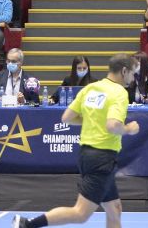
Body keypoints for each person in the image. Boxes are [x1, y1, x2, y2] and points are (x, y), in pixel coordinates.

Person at [13, 54, 141, 228]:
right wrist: (129, 129)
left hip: (87, 155)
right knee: (80, 213)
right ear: (124, 71)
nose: (133, 78)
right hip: (102, 158)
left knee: (114, 208)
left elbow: (66, 118)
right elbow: (113, 125)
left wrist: (91, 120)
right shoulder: (119, 93)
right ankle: (27, 225)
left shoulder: (91, 88)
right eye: (133, 73)